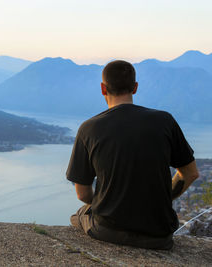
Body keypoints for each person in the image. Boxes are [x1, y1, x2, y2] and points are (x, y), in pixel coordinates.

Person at [66, 60, 199, 250]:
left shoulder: (89, 128)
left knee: (79, 215)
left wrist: (110, 203)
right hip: (159, 235)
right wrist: (160, 199)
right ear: (135, 87)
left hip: (108, 231)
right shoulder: (164, 121)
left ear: (103, 88)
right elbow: (191, 173)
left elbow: (82, 193)